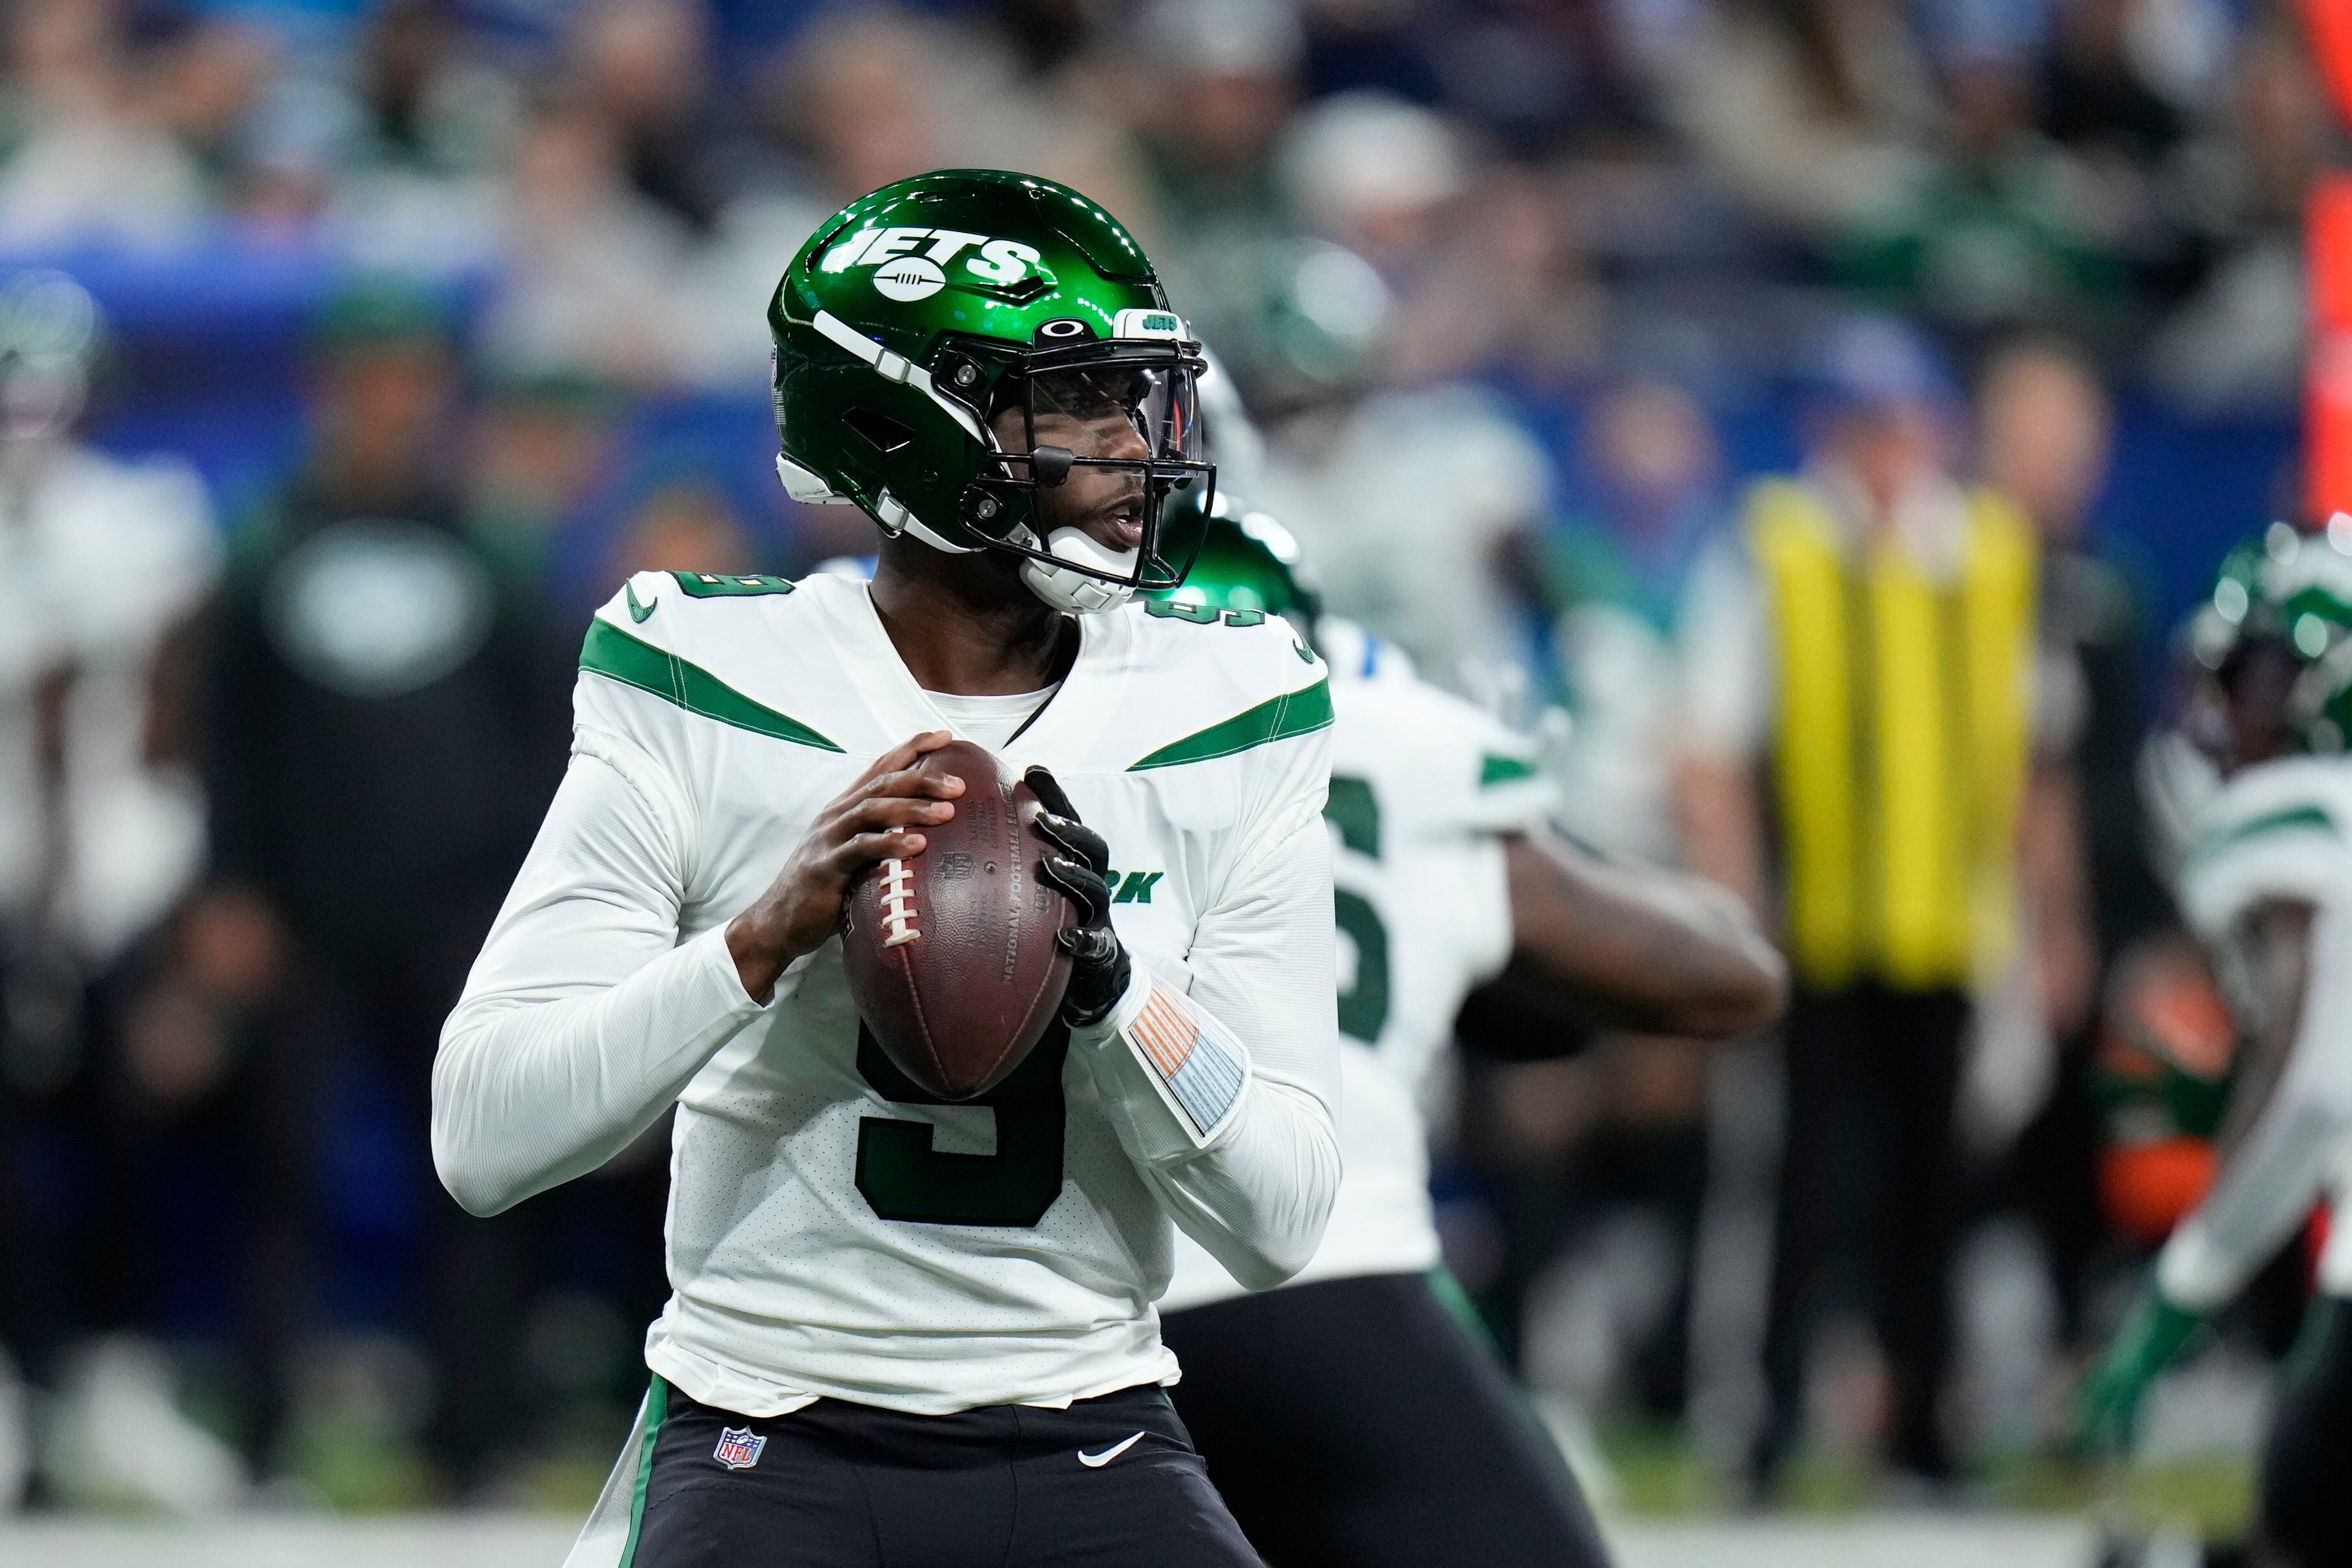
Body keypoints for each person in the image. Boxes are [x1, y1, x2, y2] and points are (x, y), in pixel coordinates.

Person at [432, 170, 1341, 1568]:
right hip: (765, 1420)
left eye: (1134, 398)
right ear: (910, 427)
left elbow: (1283, 1219)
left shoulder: (1228, 702)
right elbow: (485, 1136)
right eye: (1076, 401)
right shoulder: (705, 678)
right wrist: (760, 940)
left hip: (1089, 1419)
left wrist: (1116, 993)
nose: (1132, 444)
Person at [1151, 495, 1785, 1568]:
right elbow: (1735, 978)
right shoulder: (1400, 742)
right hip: (1334, 1277)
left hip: (1082, 1315)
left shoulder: (1034, 735)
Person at [1676, 316, 2087, 1491]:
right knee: (1803, 1188)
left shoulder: (1990, 554)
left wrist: (2054, 924)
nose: (1888, 450)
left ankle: (1925, 1429)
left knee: (1934, 1191)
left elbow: (2034, 760)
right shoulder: (1782, 546)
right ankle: (1766, 1426)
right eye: (1866, 424)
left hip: (1948, 928)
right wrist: (1736, 907)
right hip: (1819, 927)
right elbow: (1710, 749)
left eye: (1903, 423)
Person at [192, 281, 570, 1490]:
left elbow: (541, 729)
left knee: (474, 1167)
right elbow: (226, 730)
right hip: (303, 908)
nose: (387, 404)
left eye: (408, 380)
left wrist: (533, 899)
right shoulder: (271, 539)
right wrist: (228, 887)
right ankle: (264, 1438)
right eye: (366, 379)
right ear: (326, 392)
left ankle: (475, 1438)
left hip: (460, 911)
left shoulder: (487, 542)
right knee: (281, 1171)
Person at [2075, 524, 2352, 1568]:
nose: (2233, 712)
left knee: (2304, 1504)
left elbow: (2316, 1086)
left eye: (2263, 680)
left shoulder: (2304, 814)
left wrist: (2180, 1292)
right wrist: (2246, 1084)